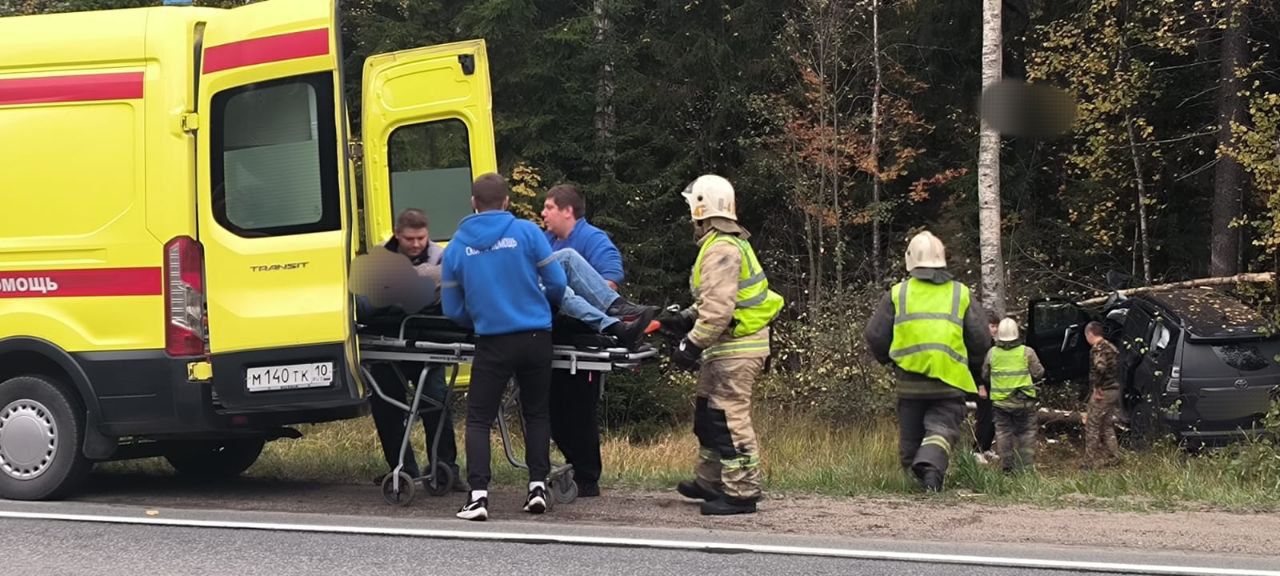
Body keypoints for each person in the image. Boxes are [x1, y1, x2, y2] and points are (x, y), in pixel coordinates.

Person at [442, 173, 566, 521]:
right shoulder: (528, 233)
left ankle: (478, 496)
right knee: (536, 412)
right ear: (507, 201)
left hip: (492, 340)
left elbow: (451, 309)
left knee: (479, 418)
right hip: (536, 336)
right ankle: (537, 487)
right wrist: (545, 307)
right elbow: (557, 282)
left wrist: (477, 318)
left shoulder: (456, 246)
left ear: (473, 203)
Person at [659, 174, 784, 516]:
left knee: (728, 417)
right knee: (708, 416)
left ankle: (742, 492)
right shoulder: (722, 245)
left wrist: (690, 345)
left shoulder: (721, 249)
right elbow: (714, 301)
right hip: (726, 347)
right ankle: (710, 481)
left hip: (737, 349)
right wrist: (685, 318)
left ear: (702, 210)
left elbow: (718, 312)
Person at [540, 183, 649, 498]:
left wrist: (571, 299)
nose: (543, 213)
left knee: (579, 410)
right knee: (552, 410)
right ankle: (573, 470)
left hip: (581, 334)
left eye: (549, 207)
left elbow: (608, 284)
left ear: (567, 211)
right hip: (551, 331)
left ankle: (587, 476)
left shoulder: (593, 240)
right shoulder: (545, 241)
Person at [865, 230, 992, 492]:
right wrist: (975, 370)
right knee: (942, 429)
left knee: (911, 434)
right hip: (949, 381)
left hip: (909, 382)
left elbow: (875, 335)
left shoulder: (898, 294)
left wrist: (887, 359)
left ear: (910, 259)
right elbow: (980, 339)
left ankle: (914, 482)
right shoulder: (960, 294)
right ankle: (931, 470)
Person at [367, 208, 467, 492]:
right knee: (386, 407)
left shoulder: (440, 257)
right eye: (410, 239)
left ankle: (444, 468)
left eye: (421, 238)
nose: (416, 244)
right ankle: (401, 469)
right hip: (387, 344)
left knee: (436, 404)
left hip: (427, 341)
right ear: (397, 235)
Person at [982, 318, 1045, 473]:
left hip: (1001, 404)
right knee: (1026, 433)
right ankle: (1026, 468)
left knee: (1003, 433)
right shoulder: (1027, 352)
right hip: (1024, 402)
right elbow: (1039, 373)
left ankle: (1007, 468)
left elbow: (985, 375)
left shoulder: (992, 353)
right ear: (1017, 334)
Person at [1083, 320, 1121, 468]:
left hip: (1103, 392)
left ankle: (1089, 462)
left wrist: (1097, 387)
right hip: (1114, 390)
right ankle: (1114, 456)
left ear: (1089, 334)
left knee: (1092, 426)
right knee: (1107, 425)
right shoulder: (1112, 347)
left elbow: (1100, 367)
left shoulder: (1098, 349)